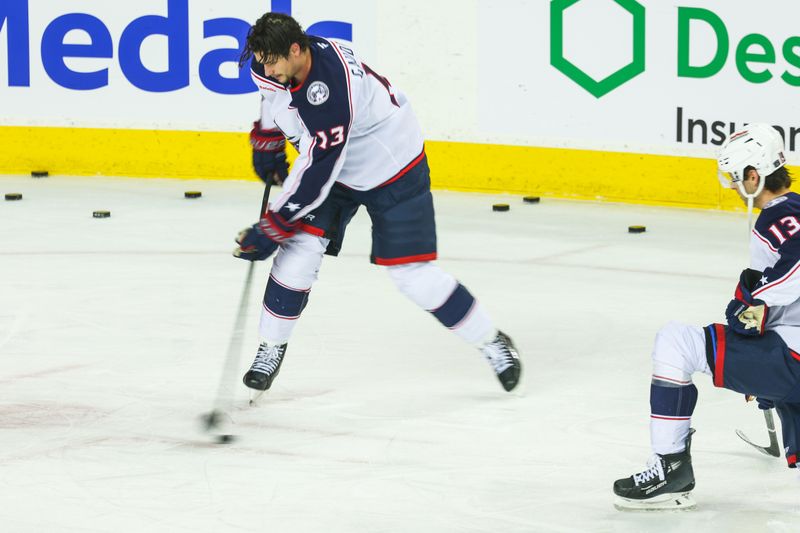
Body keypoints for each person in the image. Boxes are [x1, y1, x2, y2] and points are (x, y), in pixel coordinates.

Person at [232, 12, 521, 397]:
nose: (264, 68)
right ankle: (270, 347)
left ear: (297, 50)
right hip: (333, 163)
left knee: (412, 275)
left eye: (271, 61)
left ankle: (491, 341)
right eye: (261, 60)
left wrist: (275, 223)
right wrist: (267, 137)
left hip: (392, 164)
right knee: (298, 252)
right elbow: (272, 95)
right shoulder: (274, 63)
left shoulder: (331, 87)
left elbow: (321, 169)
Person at [613, 123, 800, 510]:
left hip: (792, 359)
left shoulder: (776, 218)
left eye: (736, 178)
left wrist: (754, 298)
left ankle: (670, 468)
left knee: (675, 342)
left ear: (754, 175)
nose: (732, 187)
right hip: (787, 351)